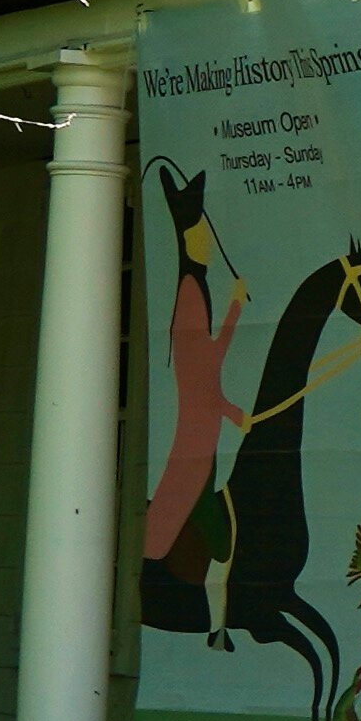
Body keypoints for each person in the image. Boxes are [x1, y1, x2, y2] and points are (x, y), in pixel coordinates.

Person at [138, 164, 244, 632]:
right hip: (196, 439)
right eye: (196, 234)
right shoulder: (189, 293)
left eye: (202, 233)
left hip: (205, 429)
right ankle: (218, 624)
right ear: (185, 242)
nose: (203, 242)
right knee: (223, 538)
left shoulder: (195, 287)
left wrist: (232, 412)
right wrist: (238, 307)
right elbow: (205, 367)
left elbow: (206, 378)